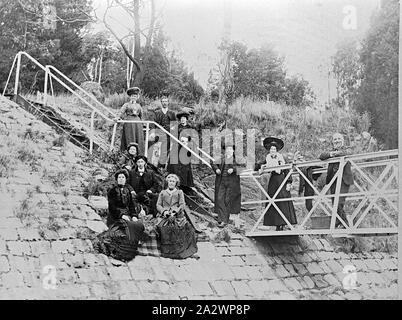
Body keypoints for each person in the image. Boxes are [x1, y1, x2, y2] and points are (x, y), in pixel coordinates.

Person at [155, 174, 198, 259]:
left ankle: (180, 250)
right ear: (167, 182)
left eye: (173, 181)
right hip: (165, 215)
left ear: (176, 183)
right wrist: (164, 211)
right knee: (165, 228)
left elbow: (182, 204)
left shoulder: (179, 192)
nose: (171, 183)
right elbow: (158, 205)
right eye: (170, 181)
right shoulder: (162, 193)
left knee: (183, 227)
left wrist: (175, 211)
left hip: (177, 215)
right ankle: (168, 250)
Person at [258, 137, 297, 231]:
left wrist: (289, 182)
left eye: (274, 149)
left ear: (277, 150)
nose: (272, 150)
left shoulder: (281, 158)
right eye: (271, 149)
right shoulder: (268, 158)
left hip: (281, 180)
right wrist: (261, 167)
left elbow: (287, 169)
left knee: (282, 200)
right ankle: (273, 223)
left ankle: (284, 223)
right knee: (272, 199)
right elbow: (259, 165)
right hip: (273, 181)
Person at [319, 132, 354, 228]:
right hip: (333, 180)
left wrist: (335, 153)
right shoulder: (331, 151)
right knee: (334, 202)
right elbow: (321, 156)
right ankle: (340, 221)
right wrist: (331, 154)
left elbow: (347, 153)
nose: (337, 141)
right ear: (332, 142)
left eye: (339, 139)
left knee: (339, 202)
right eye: (335, 139)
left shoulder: (347, 149)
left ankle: (345, 223)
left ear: (342, 141)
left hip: (344, 179)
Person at [212, 141, 242, 228]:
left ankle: (224, 220)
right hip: (221, 182)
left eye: (230, 149)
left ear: (233, 151)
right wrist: (216, 169)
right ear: (225, 151)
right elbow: (213, 163)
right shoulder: (221, 159)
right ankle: (222, 219)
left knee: (227, 200)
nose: (229, 150)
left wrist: (233, 170)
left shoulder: (237, 159)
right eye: (227, 149)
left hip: (232, 184)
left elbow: (242, 168)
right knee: (220, 199)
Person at [149, 90, 176, 166]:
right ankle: (153, 165)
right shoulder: (157, 112)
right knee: (155, 149)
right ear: (161, 103)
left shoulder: (172, 113)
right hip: (158, 132)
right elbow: (153, 123)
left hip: (168, 133)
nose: (164, 103)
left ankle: (162, 166)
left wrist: (173, 128)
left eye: (166, 101)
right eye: (163, 101)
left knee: (165, 150)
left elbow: (174, 123)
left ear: (168, 103)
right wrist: (153, 132)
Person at [116, 87, 145, 154]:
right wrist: (117, 117)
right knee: (129, 137)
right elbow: (121, 112)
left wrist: (143, 124)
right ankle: (127, 154)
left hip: (137, 124)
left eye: (135, 96)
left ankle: (139, 154)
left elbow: (141, 116)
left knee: (138, 138)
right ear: (130, 97)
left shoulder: (139, 105)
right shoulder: (126, 104)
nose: (133, 97)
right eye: (132, 96)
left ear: (137, 97)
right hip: (129, 123)